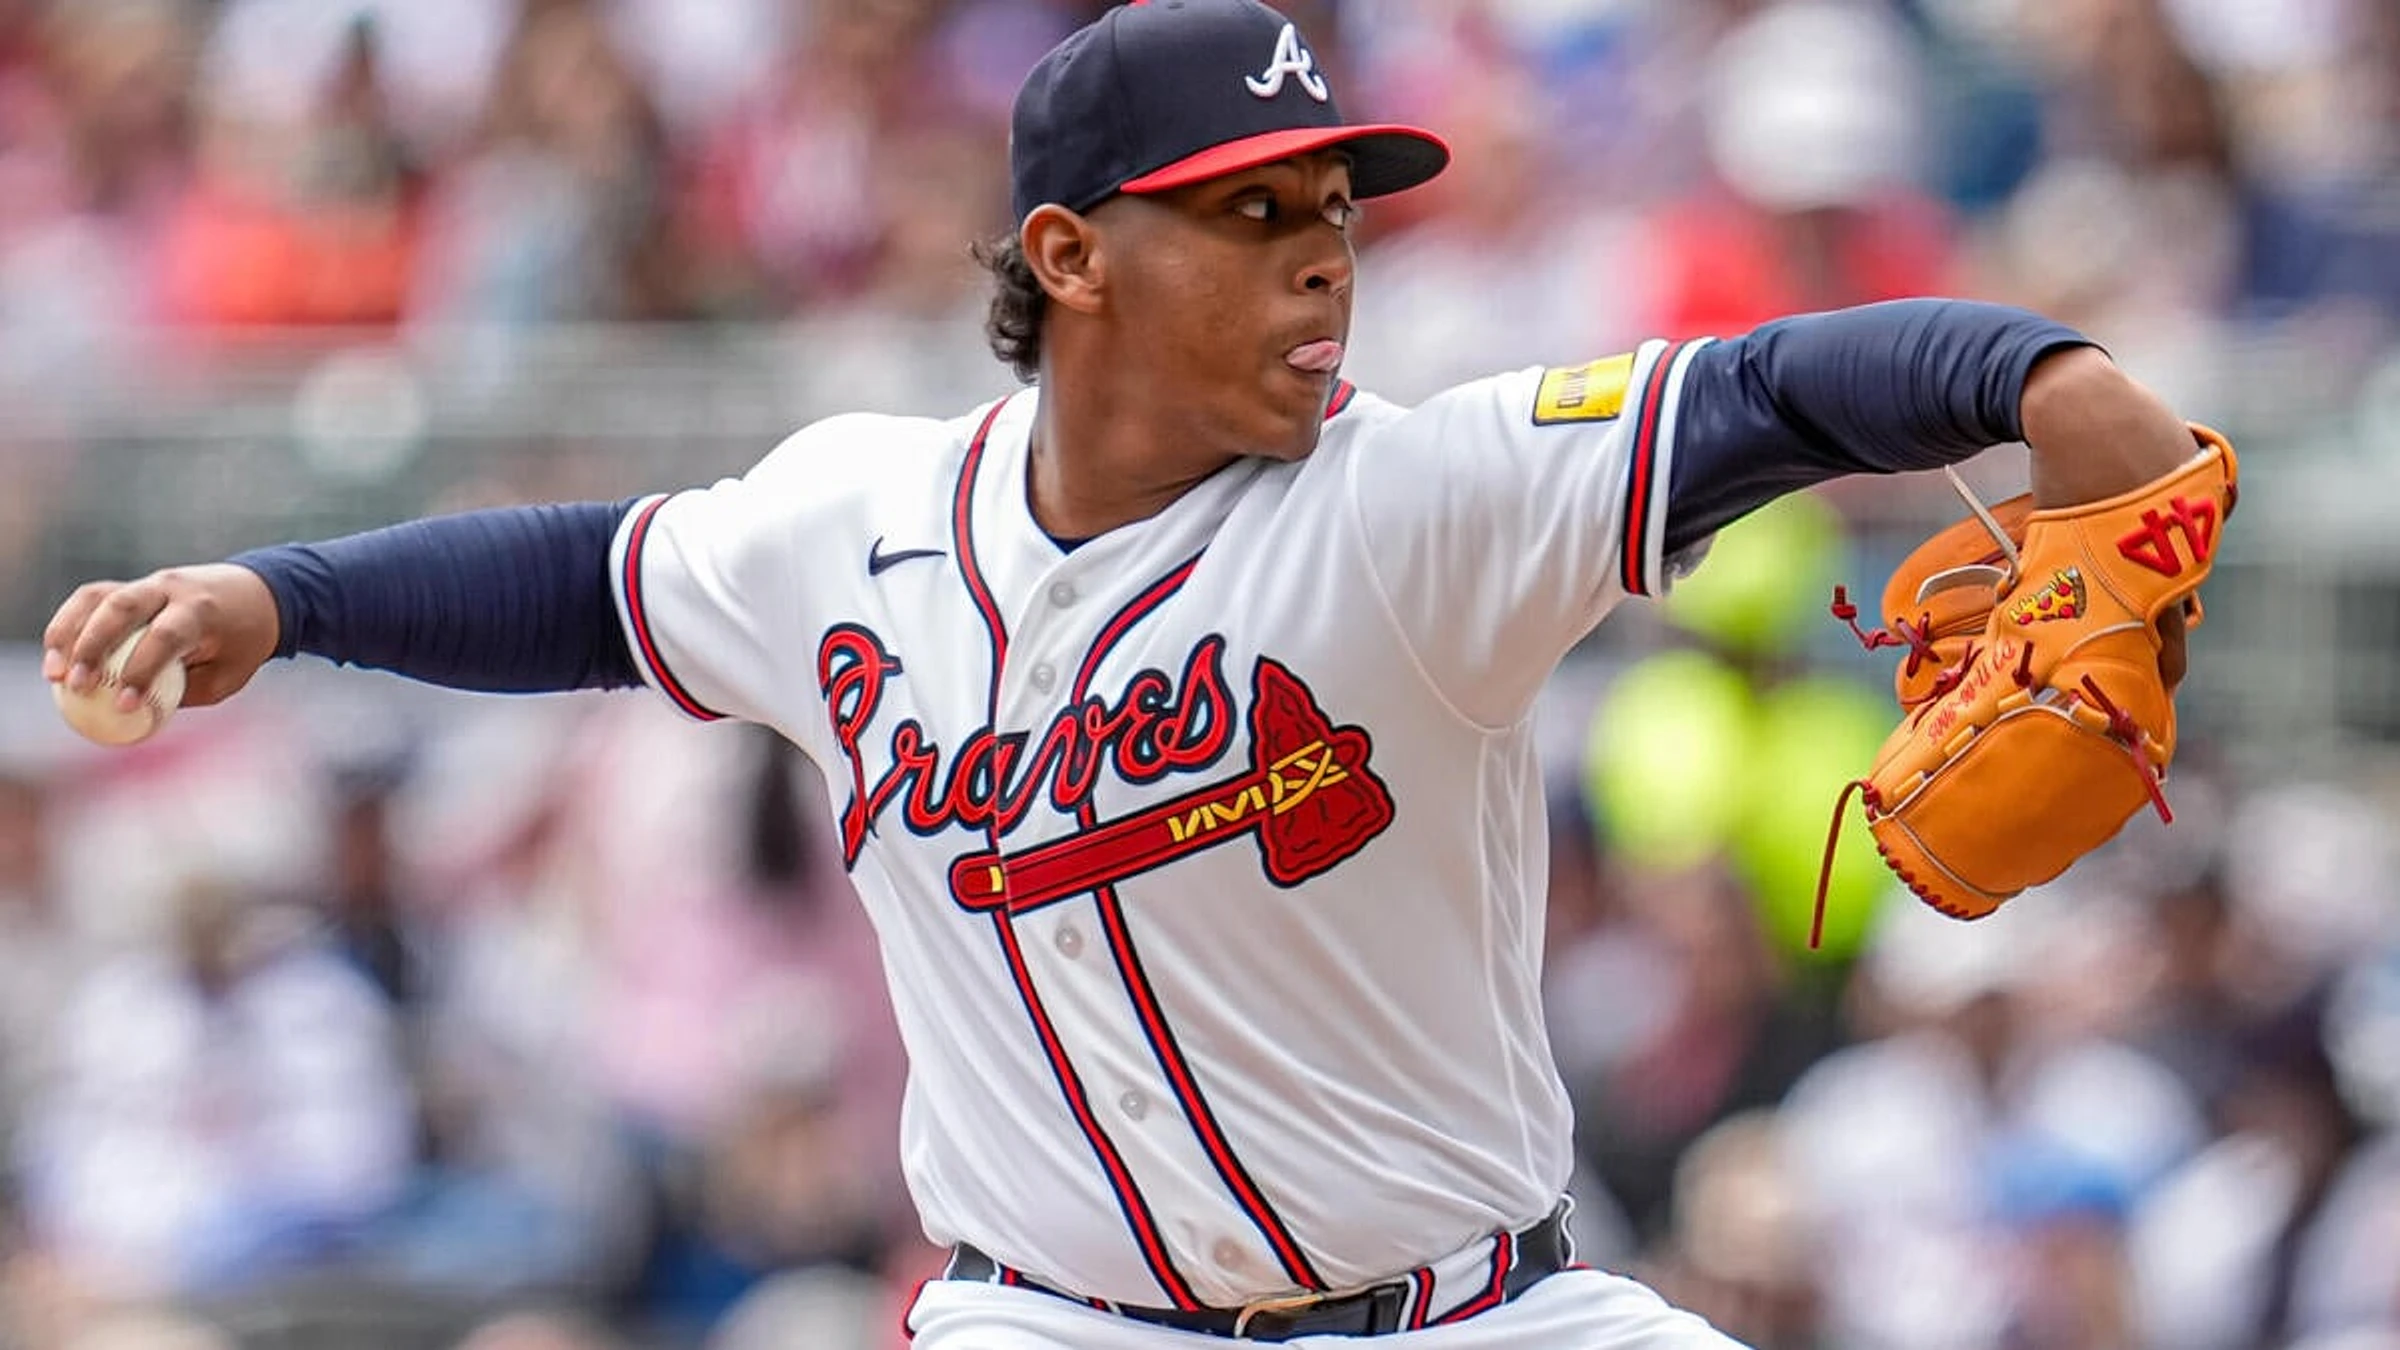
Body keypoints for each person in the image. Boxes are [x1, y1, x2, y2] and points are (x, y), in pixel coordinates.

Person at [42, 2, 2217, 1345]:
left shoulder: (1423, 497)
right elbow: (586, 582)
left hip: (1477, 1318)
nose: (1324, 260)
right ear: (1069, 255)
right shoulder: (850, 520)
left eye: (1334, 211)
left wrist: (2052, 379)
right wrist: (278, 595)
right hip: (1054, 1325)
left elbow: (1779, 386)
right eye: (1252, 215)